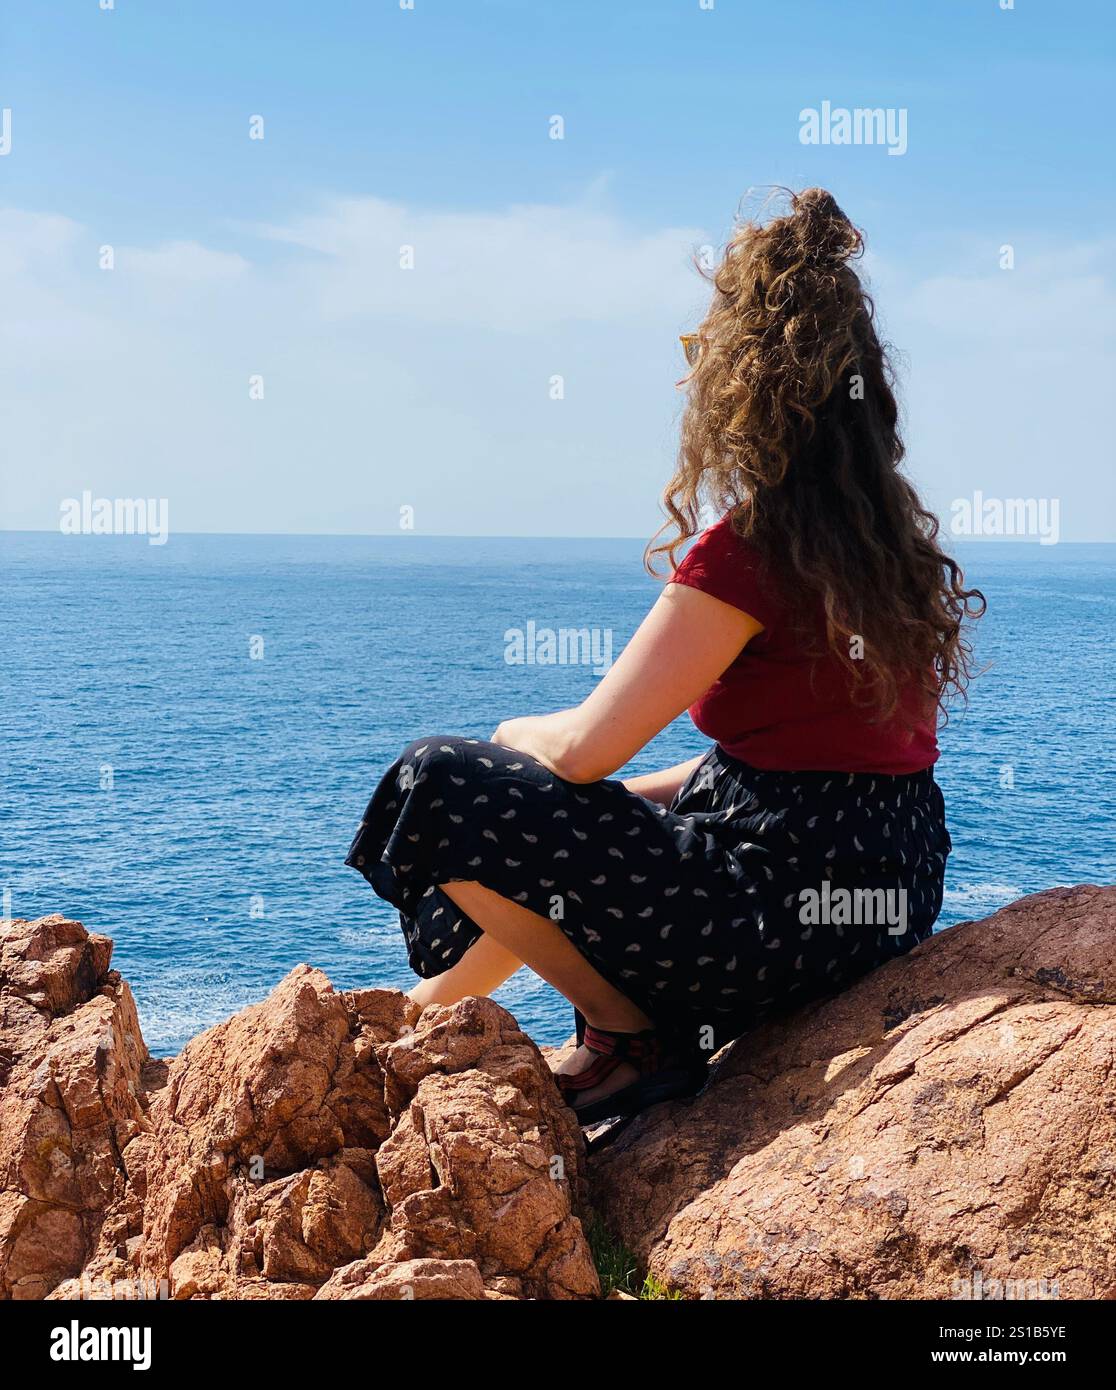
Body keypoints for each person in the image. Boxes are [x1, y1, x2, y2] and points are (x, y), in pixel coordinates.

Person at [346, 187, 985, 1124]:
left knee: (441, 783)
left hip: (768, 921)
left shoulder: (749, 552)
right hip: (878, 906)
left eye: (704, 357)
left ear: (745, 385)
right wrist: (598, 803)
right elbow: (794, 769)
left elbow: (584, 751)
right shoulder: (881, 553)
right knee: (552, 817)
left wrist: (516, 741)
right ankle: (436, 1015)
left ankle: (630, 1041)